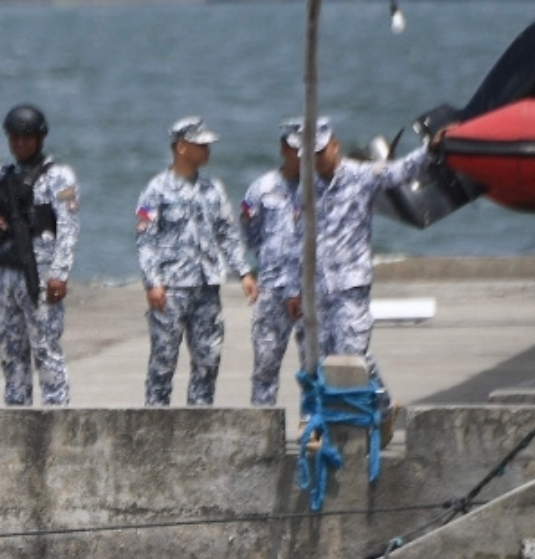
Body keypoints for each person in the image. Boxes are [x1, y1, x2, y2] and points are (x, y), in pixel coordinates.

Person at [287, 116, 442, 408]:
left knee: (352, 355)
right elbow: (297, 240)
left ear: (335, 146)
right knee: (316, 359)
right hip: (316, 289)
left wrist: (429, 151)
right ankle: (325, 420)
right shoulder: (304, 189)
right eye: (311, 155)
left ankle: (380, 407)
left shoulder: (361, 176)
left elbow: (400, 171)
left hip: (349, 287)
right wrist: (293, 289)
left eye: (321, 152)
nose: (317, 160)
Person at [135, 117, 258, 408]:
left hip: (206, 287)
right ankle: (156, 427)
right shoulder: (157, 190)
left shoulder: (212, 189)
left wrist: (244, 272)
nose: (207, 151)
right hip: (171, 289)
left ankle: (198, 425)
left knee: (208, 360)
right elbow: (145, 240)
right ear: (181, 148)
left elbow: (226, 232)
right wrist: (152, 282)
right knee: (163, 362)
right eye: (200, 145)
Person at [0, 105, 80, 407]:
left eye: (26, 138)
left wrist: (60, 273)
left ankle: (56, 415)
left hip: (40, 275)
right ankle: (16, 416)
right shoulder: (2, 174)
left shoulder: (59, 177)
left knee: (46, 351)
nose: (20, 143)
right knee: (10, 352)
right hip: (6, 274)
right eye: (15, 138)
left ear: (40, 138)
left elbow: (69, 228)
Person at [240, 120, 304, 408]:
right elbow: (249, 230)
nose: (300, 156)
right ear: (283, 149)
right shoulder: (263, 189)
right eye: (294, 149)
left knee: (315, 366)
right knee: (265, 366)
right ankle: (261, 426)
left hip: (310, 290)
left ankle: (313, 426)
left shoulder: (321, 189)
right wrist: (266, 260)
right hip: (273, 289)